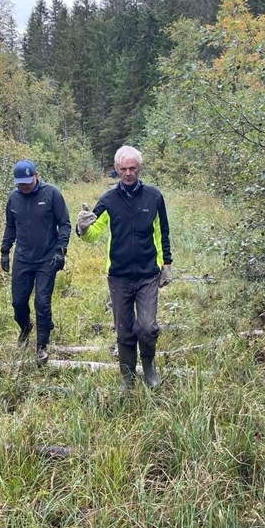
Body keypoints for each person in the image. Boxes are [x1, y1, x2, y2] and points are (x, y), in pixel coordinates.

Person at [76, 145, 172, 389]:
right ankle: (128, 377)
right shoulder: (108, 199)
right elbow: (93, 232)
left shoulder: (154, 197)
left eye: (132, 168)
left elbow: (163, 233)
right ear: (116, 170)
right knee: (124, 330)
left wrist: (166, 264)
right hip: (118, 275)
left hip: (147, 274)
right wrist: (83, 228)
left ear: (139, 167)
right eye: (123, 169)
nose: (128, 173)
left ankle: (149, 368)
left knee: (147, 327)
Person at [0, 159, 71, 362]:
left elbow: (64, 223)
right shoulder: (13, 199)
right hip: (23, 257)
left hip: (47, 257)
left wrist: (61, 250)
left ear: (36, 176)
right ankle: (25, 327)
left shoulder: (52, 194)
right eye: (20, 183)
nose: (24, 186)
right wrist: (5, 251)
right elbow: (10, 226)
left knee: (42, 301)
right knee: (18, 302)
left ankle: (41, 345)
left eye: (27, 182)